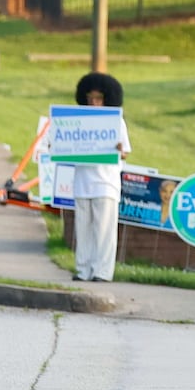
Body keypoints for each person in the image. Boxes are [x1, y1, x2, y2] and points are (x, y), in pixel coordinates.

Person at [67, 72, 130, 282]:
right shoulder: (77, 121)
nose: (94, 102)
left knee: (104, 231)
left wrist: (120, 149)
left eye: (99, 98)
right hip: (82, 182)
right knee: (82, 230)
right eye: (90, 98)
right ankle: (82, 270)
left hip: (106, 183)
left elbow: (125, 151)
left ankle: (102, 272)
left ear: (107, 99)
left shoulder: (117, 122)